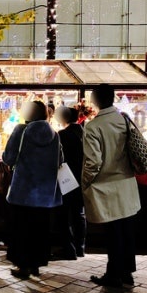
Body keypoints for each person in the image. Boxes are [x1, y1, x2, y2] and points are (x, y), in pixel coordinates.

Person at [82, 85, 142, 288]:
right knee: (127, 231)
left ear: (94, 100)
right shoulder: (123, 119)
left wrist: (85, 182)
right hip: (127, 183)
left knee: (113, 232)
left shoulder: (93, 126)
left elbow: (93, 162)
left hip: (106, 186)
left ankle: (114, 274)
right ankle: (127, 273)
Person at [2, 101, 63, 280]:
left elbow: (9, 157)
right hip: (46, 193)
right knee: (40, 230)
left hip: (24, 191)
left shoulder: (21, 131)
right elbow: (60, 160)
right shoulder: (54, 134)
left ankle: (23, 266)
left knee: (22, 228)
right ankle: (36, 264)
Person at [53, 106, 86, 260]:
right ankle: (80, 247)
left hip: (66, 177)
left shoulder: (62, 135)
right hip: (82, 177)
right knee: (79, 213)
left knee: (63, 214)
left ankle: (69, 248)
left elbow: (58, 157)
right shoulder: (84, 132)